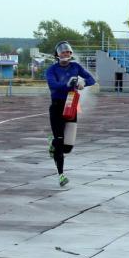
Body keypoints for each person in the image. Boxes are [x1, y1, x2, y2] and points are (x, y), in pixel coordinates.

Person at [45, 41, 95, 187]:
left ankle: (52, 142)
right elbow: (52, 85)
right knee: (60, 143)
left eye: (68, 52)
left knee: (68, 147)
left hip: (71, 106)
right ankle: (61, 175)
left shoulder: (76, 67)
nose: (65, 54)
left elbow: (91, 79)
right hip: (56, 107)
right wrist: (67, 84)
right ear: (57, 55)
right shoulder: (51, 70)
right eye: (62, 52)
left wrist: (83, 83)